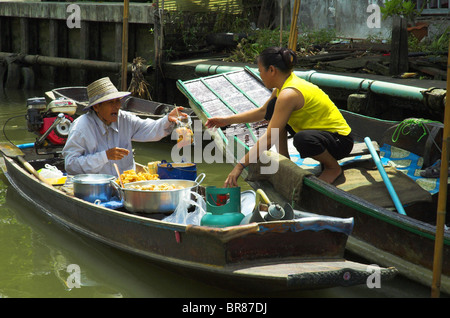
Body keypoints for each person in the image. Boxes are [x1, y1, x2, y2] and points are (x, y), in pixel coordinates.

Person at [205, 46, 353, 187]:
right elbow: (262, 112)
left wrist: (239, 166)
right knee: (272, 108)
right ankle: (285, 161)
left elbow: (269, 137)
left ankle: (333, 167)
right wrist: (226, 120)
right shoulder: (283, 87)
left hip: (340, 141)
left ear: (271, 70)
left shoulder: (289, 93)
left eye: (260, 71)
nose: (260, 75)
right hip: (321, 136)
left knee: (302, 140)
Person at [63, 77, 187, 175]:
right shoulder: (81, 127)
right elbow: (71, 165)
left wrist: (168, 120)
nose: (116, 106)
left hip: (126, 185)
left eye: (117, 101)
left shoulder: (124, 119)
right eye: (110, 102)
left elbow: (150, 129)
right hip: (97, 189)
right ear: (96, 107)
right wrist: (104, 156)